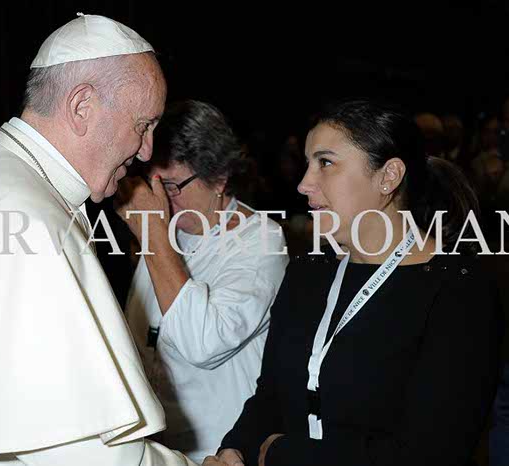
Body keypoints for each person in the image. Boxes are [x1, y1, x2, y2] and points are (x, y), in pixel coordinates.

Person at [0, 13, 196, 466]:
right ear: (82, 106)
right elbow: (77, 448)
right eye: (143, 125)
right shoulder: (26, 214)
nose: (146, 151)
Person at [205, 99, 502, 466]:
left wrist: (284, 454)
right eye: (307, 163)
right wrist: (236, 447)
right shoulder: (307, 273)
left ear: (388, 177)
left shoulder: (457, 293)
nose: (303, 184)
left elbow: (430, 452)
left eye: (325, 163)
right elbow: (271, 394)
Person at [116, 100, 289, 463]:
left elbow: (203, 345)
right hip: (156, 445)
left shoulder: (260, 242)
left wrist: (153, 235)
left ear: (220, 178)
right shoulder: (168, 230)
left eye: (173, 186)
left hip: (219, 448)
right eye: (153, 184)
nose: (160, 199)